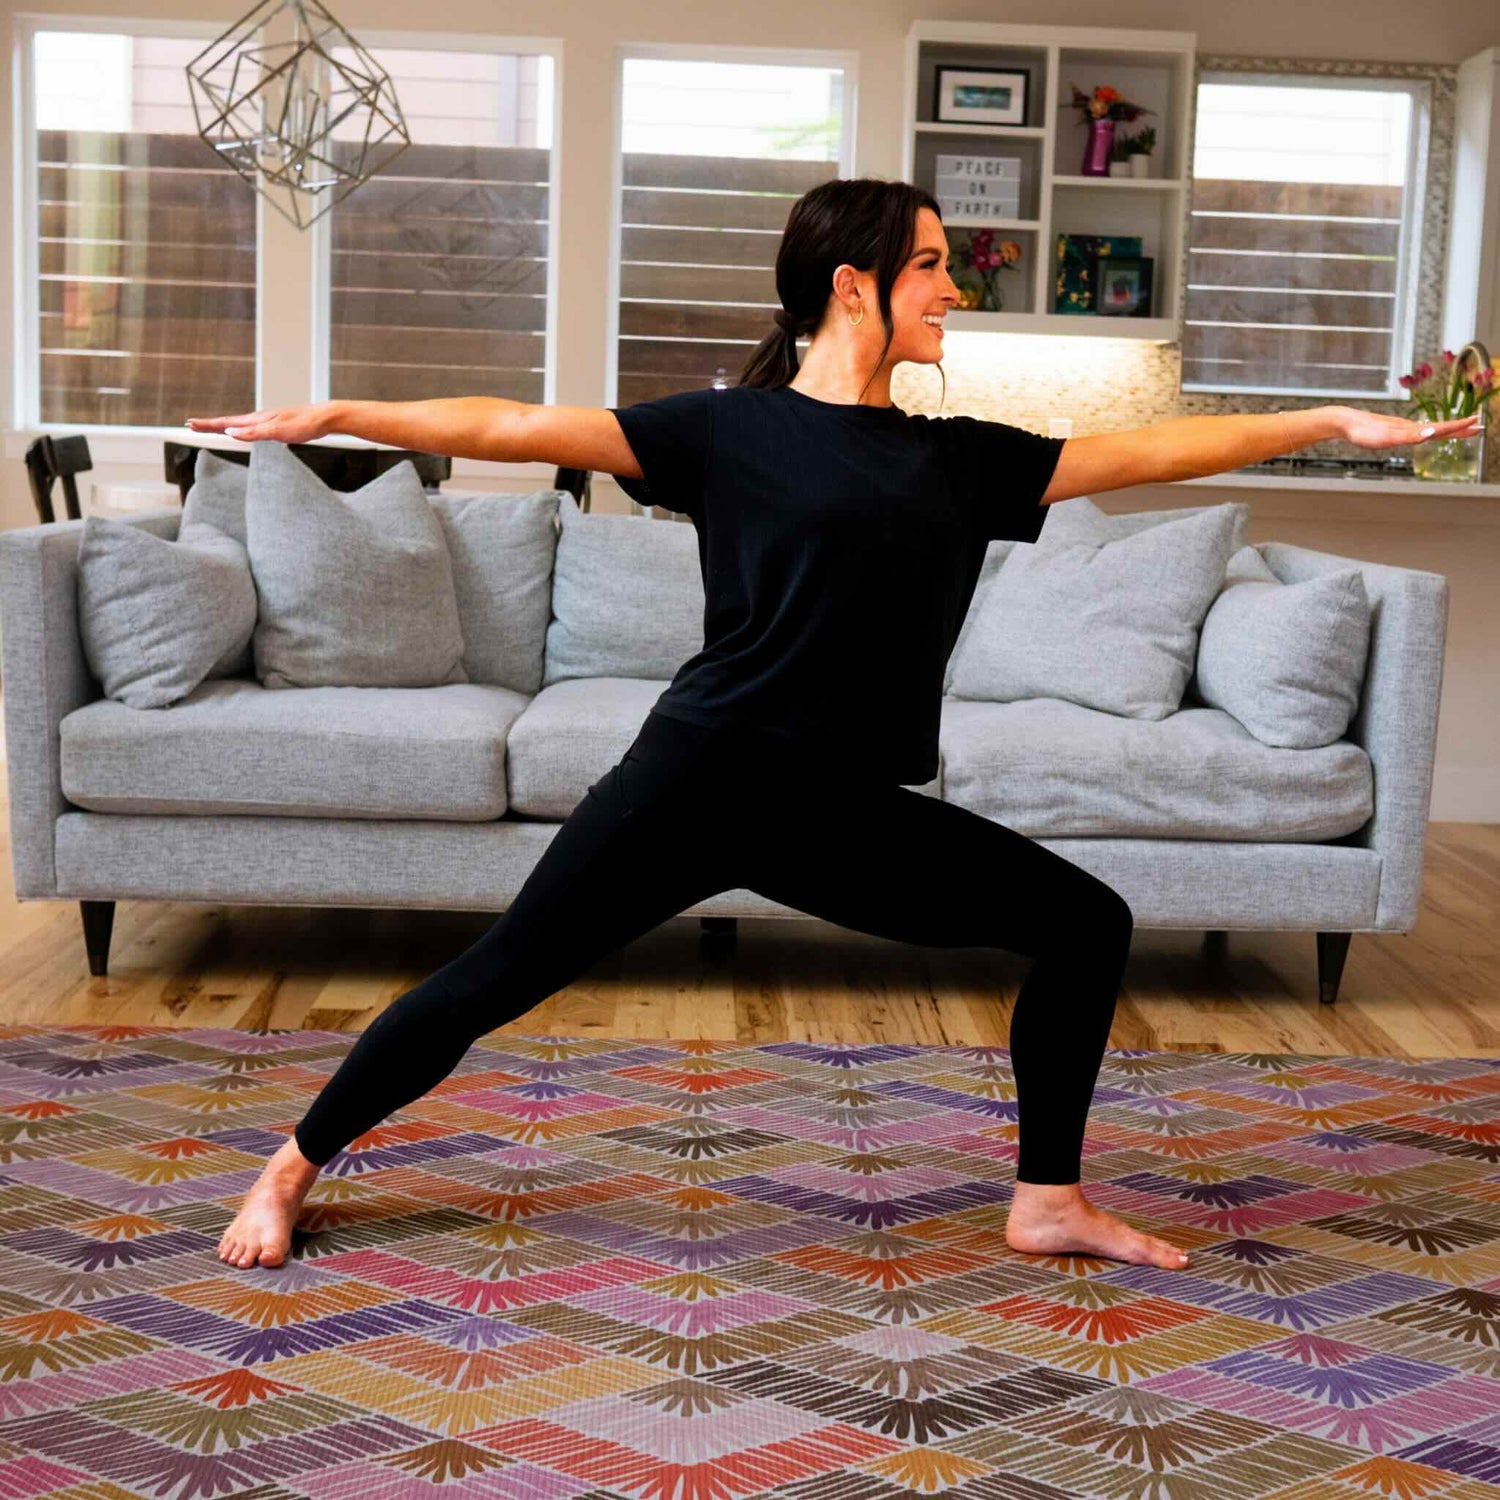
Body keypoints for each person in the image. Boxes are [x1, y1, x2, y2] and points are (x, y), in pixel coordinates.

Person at [185, 176, 1480, 1275]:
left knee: (1086, 924)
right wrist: (336, 417)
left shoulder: (962, 460)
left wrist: (1327, 422)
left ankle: (1047, 1199)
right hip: (697, 779)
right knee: (492, 980)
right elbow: (513, 425)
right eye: (932, 266)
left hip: (841, 809)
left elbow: (1152, 455)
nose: (954, 290)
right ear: (854, 287)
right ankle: (292, 1165)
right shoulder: (726, 433)